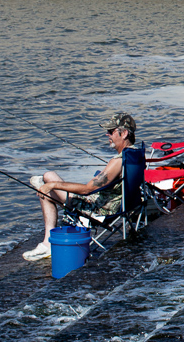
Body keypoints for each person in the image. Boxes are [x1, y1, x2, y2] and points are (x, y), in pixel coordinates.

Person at [22, 112, 136, 262]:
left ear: (124, 133)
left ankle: (47, 243)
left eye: (111, 131)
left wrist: (53, 185)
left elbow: (87, 189)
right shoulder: (135, 153)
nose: (107, 134)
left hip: (98, 209)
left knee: (48, 181)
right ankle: (43, 187)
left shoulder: (118, 162)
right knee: (47, 182)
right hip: (116, 203)